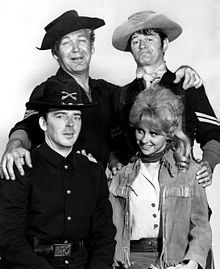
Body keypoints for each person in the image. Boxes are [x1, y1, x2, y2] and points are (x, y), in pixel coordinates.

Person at [0, 10, 202, 180]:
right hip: (65, 191)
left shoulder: (110, 92)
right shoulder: (47, 91)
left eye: (82, 40)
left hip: (109, 194)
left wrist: (180, 73)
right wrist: (14, 146)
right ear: (55, 54)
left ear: (92, 46)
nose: (76, 49)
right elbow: (27, 126)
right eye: (67, 43)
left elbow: (148, 107)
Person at [0, 79, 116, 268]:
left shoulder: (93, 172)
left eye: (76, 117)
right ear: (43, 123)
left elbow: (104, 237)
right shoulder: (20, 169)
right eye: (61, 116)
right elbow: (9, 240)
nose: (70, 124)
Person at [110, 10, 220, 187]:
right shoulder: (120, 96)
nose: (142, 45)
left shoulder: (187, 85)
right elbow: (114, 145)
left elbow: (213, 134)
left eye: (149, 39)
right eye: (136, 41)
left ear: (165, 43)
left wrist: (208, 164)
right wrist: (115, 162)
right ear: (130, 48)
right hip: (135, 189)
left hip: (181, 185)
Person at [109, 86, 211, 269]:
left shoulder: (189, 173)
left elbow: (201, 227)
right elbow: (110, 230)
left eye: (154, 133)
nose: (144, 139)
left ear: (168, 133)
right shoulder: (122, 176)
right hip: (131, 262)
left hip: (175, 263)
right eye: (140, 131)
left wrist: (192, 263)